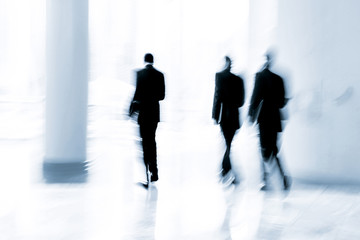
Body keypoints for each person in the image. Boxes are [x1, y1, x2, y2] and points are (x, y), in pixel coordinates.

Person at [248, 52, 291, 191]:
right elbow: (282, 102)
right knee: (273, 149)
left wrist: (250, 114)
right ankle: (282, 176)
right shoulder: (279, 79)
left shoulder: (260, 76)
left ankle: (264, 179)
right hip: (276, 119)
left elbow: (255, 97)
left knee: (264, 150)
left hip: (264, 118)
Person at [129, 53, 165, 186]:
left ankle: (146, 176)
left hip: (143, 114)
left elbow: (136, 94)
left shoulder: (139, 74)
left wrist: (130, 110)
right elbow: (162, 96)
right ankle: (154, 171)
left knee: (144, 144)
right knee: (152, 141)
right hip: (154, 114)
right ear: (153, 61)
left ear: (144, 61)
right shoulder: (160, 75)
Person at [212, 56, 245, 185]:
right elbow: (241, 102)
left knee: (227, 144)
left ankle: (225, 171)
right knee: (228, 144)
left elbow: (217, 96)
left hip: (224, 116)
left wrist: (215, 115)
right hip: (234, 116)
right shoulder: (238, 80)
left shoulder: (219, 77)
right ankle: (226, 171)